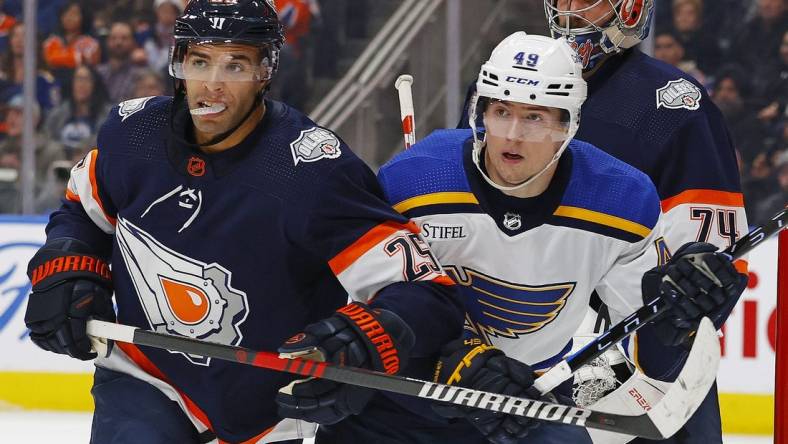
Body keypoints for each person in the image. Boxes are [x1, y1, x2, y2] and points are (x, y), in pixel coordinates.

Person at [22, 1, 463, 443]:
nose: (211, 85)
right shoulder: (131, 134)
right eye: (200, 61)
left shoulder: (312, 170)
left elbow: (423, 293)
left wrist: (365, 341)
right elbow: (82, 209)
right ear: (179, 62)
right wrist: (66, 262)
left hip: (270, 409)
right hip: (148, 376)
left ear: (264, 72)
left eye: (235, 65)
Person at [304, 32, 747, 444]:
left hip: (523, 408)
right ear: (481, 112)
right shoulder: (414, 178)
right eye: (501, 112)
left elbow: (638, 343)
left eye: (534, 117)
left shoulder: (622, 199)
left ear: (568, 124)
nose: (512, 135)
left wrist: (676, 319)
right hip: (403, 400)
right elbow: (367, 299)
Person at [537, 2, 749, 443]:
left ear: (629, 7)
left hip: (641, 357)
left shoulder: (671, 103)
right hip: (525, 344)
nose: (570, 9)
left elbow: (712, 263)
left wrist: (690, 295)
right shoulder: (511, 84)